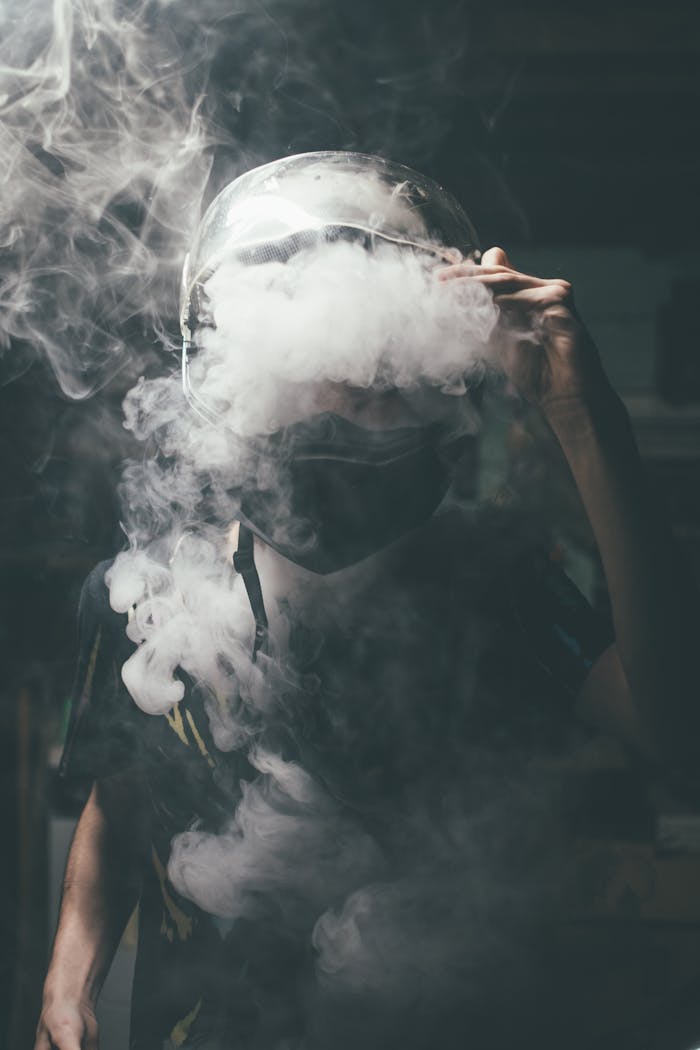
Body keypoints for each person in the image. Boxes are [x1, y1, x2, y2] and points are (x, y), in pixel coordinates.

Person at [35, 153, 699, 1050]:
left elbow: (676, 734)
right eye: (316, 376)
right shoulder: (139, 594)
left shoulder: (495, 584)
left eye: (381, 382)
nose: (346, 411)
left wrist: (584, 415)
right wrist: (68, 984)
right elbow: (119, 802)